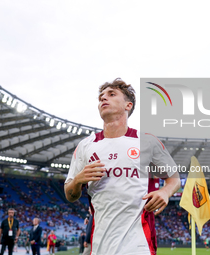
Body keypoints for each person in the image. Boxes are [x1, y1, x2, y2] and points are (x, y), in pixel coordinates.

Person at [64, 78, 181, 255]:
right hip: (100, 246)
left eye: (111, 94)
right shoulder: (85, 146)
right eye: (101, 97)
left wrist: (165, 192)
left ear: (128, 105)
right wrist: (78, 180)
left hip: (139, 244)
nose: (103, 98)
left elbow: (174, 179)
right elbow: (70, 194)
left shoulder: (147, 142)